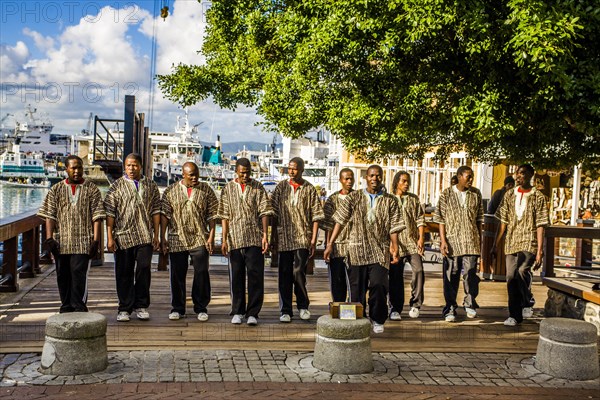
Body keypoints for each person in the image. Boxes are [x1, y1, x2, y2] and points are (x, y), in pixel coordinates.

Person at [324, 165, 403, 333]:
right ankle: (360, 320)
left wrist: (395, 247)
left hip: (379, 250)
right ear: (366, 177)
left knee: (379, 285)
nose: (375, 179)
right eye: (372, 176)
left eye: (378, 176)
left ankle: (377, 318)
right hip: (357, 249)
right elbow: (339, 221)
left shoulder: (390, 200)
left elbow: (394, 228)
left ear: (382, 178)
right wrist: (330, 243)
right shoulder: (355, 197)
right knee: (356, 289)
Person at [38, 155, 105, 313]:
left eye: (80, 167)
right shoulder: (56, 189)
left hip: (83, 240)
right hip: (62, 241)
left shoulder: (91, 189)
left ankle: (79, 305)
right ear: (66, 169)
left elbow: (97, 216)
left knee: (78, 273)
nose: (77, 171)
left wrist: (95, 241)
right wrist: (49, 238)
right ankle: (66, 304)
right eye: (73, 168)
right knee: (63, 274)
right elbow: (50, 215)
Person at [104, 153, 161, 322]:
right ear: (125, 167)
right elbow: (110, 213)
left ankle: (141, 305)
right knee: (124, 273)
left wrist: (156, 234)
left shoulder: (150, 185)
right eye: (128, 165)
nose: (131, 168)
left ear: (141, 166)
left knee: (144, 271)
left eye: (134, 165)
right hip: (123, 235)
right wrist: (109, 237)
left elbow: (156, 210)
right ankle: (124, 308)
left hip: (144, 235)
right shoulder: (117, 186)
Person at [161, 162, 218, 322]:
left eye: (196, 174)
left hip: (199, 237)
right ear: (183, 174)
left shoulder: (206, 190)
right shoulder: (170, 191)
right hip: (176, 237)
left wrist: (211, 236)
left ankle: (201, 307)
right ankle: (178, 308)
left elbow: (212, 215)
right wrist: (162, 237)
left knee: (201, 273)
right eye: (191, 175)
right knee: (177, 274)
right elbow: (165, 215)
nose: (195, 178)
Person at [492, 164, 549, 326]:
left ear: (531, 175)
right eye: (517, 173)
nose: (518, 176)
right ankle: (514, 315)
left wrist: (539, 251)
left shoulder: (538, 196)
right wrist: (495, 244)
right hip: (511, 241)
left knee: (523, 270)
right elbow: (503, 222)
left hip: (529, 240)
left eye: (523, 173)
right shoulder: (509, 194)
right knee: (510, 277)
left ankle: (527, 298)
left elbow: (541, 224)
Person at [219, 158, 272, 325]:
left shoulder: (258, 187)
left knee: (256, 276)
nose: (245, 175)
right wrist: (224, 238)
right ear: (236, 171)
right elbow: (224, 215)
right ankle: (238, 310)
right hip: (235, 238)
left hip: (254, 237)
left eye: (248, 172)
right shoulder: (228, 188)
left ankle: (253, 313)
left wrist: (265, 235)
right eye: (242, 172)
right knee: (237, 275)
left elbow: (265, 212)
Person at [271, 157, 324, 323]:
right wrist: (272, 236)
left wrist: (313, 239)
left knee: (299, 273)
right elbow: (273, 214)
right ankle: (285, 310)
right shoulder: (281, 188)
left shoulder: (309, 189)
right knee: (284, 274)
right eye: (289, 168)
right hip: (284, 236)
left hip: (302, 236)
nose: (292, 171)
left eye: (295, 169)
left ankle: (303, 306)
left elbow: (316, 215)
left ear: (302, 169)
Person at [434, 165, 484, 322]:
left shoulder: (476, 194)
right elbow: (440, 219)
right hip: (452, 240)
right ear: (459, 176)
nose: (471, 179)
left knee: (470, 274)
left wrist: (480, 243)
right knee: (452, 274)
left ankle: (469, 303)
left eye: (472, 177)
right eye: (468, 176)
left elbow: (479, 220)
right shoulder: (446, 194)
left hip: (471, 240)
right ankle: (450, 308)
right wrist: (443, 241)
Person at [388, 171, 426, 320]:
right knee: (395, 276)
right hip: (395, 243)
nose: (406, 184)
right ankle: (395, 308)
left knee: (418, 270)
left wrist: (421, 238)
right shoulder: (388, 199)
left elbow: (420, 219)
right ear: (397, 181)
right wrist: (390, 244)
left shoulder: (413, 199)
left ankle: (415, 305)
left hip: (411, 241)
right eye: (403, 181)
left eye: (408, 181)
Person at [321, 168, 355, 302]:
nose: (349, 181)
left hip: (353, 245)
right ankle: (338, 306)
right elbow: (328, 225)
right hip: (337, 246)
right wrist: (328, 245)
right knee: (337, 280)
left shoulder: (358, 197)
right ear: (340, 180)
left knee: (354, 281)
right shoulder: (333, 199)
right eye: (346, 179)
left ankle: (354, 308)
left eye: (351, 178)